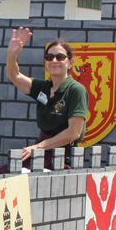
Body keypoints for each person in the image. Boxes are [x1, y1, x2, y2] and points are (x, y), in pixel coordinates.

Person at [6, 27, 88, 168]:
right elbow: (14, 76)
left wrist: (38, 147)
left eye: (60, 57)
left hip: (62, 155)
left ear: (70, 62)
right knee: (8, 173)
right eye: (49, 57)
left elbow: (74, 133)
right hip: (42, 150)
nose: (54, 60)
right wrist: (12, 54)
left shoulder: (75, 90)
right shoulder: (43, 87)